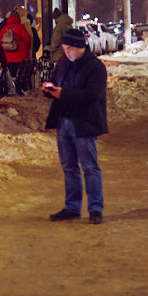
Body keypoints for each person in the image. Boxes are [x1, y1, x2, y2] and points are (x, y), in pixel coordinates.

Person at [43, 28, 108, 224]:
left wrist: (63, 94)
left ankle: (95, 208)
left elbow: (93, 95)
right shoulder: (63, 63)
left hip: (84, 123)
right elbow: (56, 83)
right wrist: (49, 89)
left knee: (89, 167)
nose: (66, 52)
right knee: (68, 167)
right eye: (64, 48)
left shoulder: (95, 67)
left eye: (69, 48)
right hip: (64, 121)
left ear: (80, 47)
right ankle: (72, 207)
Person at [0, 9, 32, 94]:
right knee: (21, 78)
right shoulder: (21, 27)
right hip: (21, 58)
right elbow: (28, 40)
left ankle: (11, 92)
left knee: (11, 77)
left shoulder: (4, 28)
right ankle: (20, 93)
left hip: (8, 59)